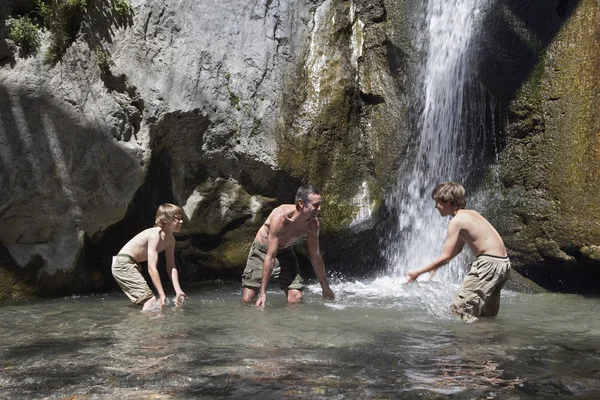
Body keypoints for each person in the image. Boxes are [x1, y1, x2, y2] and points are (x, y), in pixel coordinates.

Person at [407, 181, 511, 322]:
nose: (435, 206)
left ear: (448, 201)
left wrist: (417, 273)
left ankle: (465, 343)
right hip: (503, 264)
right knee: (486, 315)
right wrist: (434, 268)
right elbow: (457, 249)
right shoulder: (472, 214)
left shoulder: (456, 222)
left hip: (488, 264)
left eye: (437, 202)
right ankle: (490, 341)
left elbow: (446, 257)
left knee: (461, 309)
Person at [241, 185, 336, 307]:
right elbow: (270, 256)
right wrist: (263, 293)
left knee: (296, 298)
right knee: (248, 299)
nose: (319, 209)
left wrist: (325, 287)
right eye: (316, 205)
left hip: (285, 252)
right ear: (301, 203)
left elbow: (315, 257)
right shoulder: (280, 218)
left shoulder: (313, 224)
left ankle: (288, 325)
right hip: (262, 251)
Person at [112, 203, 188, 311]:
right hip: (123, 263)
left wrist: (178, 290)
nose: (181, 222)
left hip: (132, 264)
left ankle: (127, 316)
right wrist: (161, 294)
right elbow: (152, 268)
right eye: (177, 219)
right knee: (150, 301)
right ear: (165, 220)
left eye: (181, 219)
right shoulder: (155, 235)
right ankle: (146, 327)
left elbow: (171, 266)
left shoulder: (171, 240)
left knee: (143, 303)